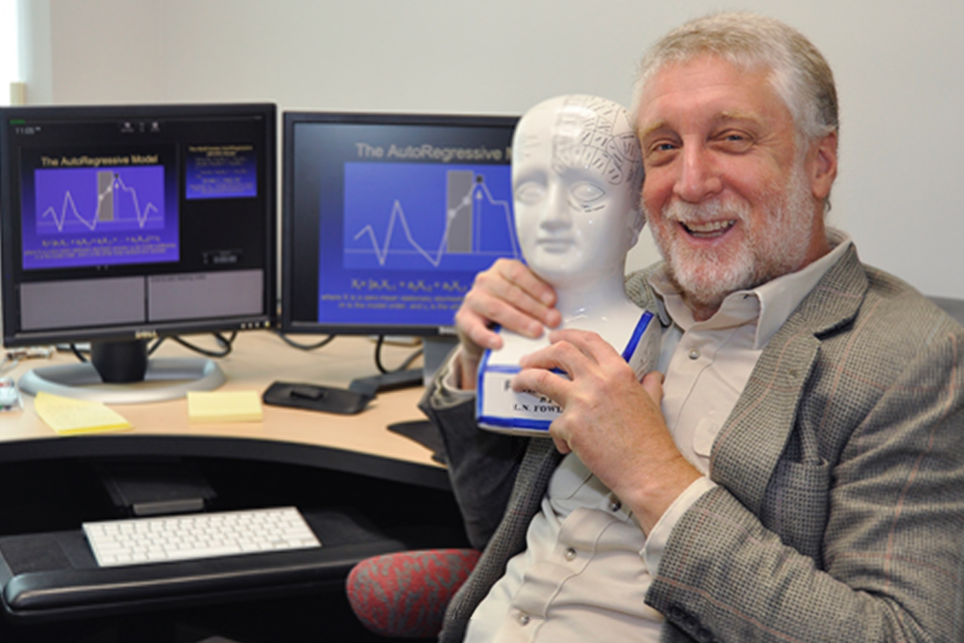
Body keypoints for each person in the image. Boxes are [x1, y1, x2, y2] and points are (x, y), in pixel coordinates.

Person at [420, 11, 964, 643]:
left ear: (820, 163)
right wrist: (478, 359)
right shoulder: (617, 304)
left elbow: (903, 633)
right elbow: (496, 527)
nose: (691, 182)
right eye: (664, 147)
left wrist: (651, 475)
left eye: (732, 139)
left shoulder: (912, 359)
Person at [476, 94, 658, 433]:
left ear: (636, 215)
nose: (551, 216)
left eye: (586, 191)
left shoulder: (650, 329)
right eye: (531, 189)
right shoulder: (498, 329)